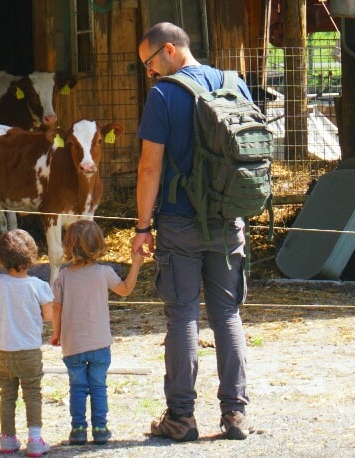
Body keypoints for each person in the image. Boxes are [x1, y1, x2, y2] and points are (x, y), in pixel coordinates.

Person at [131, 22, 254, 442]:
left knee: (182, 316)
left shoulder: (163, 95)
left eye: (149, 63)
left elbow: (150, 167)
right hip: (228, 221)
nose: (150, 73)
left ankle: (181, 417)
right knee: (228, 314)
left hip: (179, 222)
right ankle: (235, 415)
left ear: (168, 50)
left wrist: (142, 227)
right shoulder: (235, 85)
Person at [48, 220, 144, 446]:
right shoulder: (105, 272)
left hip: (72, 345)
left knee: (78, 387)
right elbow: (126, 290)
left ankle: (78, 429)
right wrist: (136, 264)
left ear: (69, 245)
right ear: (99, 244)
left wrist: (56, 334)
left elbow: (56, 307)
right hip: (100, 344)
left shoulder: (63, 276)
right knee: (99, 386)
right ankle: (100, 428)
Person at [0, 229, 56, 456]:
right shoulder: (38, 286)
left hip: (3, 350)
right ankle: (34, 439)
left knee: (7, 394)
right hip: (30, 351)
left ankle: (8, 438)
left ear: (1, 258)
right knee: (32, 392)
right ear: (31, 257)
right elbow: (49, 316)